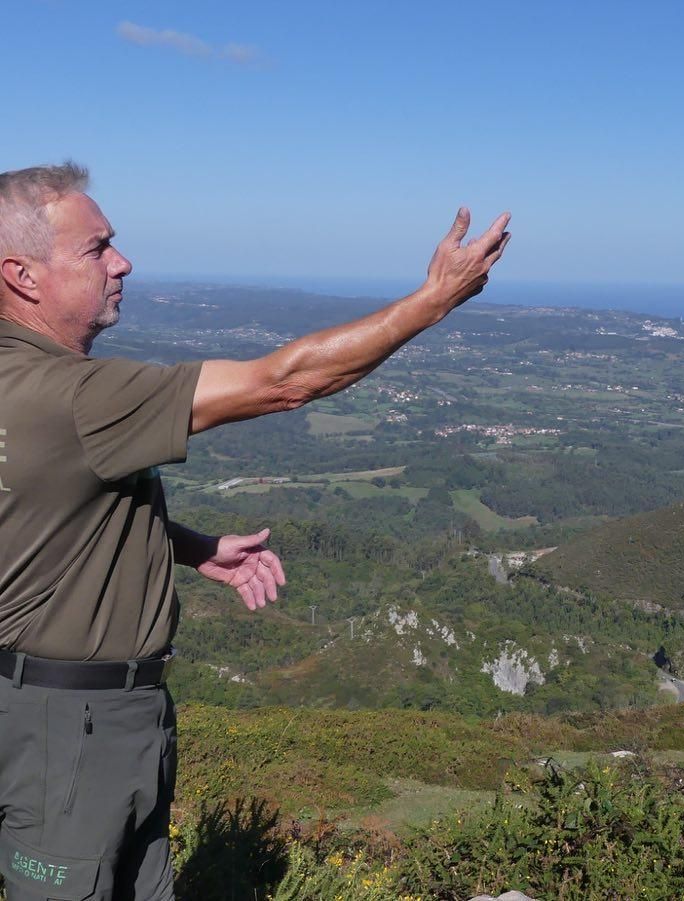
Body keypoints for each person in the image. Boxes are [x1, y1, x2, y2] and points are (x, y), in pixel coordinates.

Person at [0, 162, 510, 900]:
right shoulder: (74, 396)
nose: (124, 261)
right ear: (23, 274)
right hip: (74, 728)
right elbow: (284, 382)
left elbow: (40, 507)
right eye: (97, 248)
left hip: (72, 714)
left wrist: (188, 546)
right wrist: (432, 300)